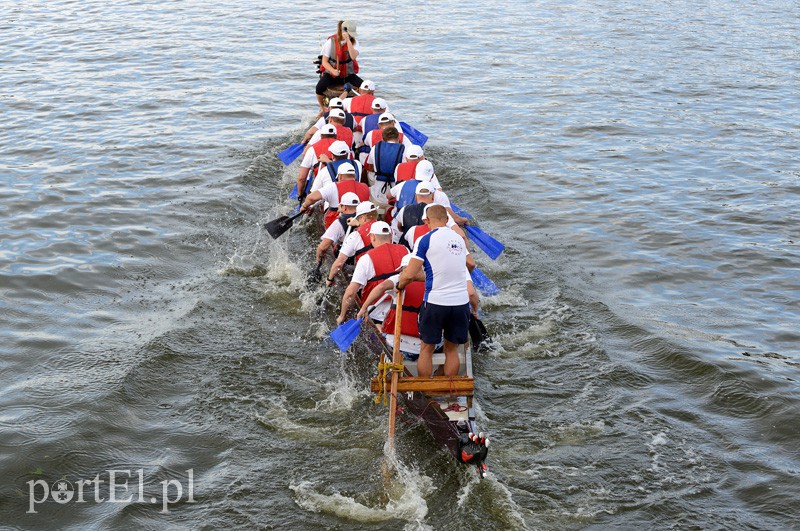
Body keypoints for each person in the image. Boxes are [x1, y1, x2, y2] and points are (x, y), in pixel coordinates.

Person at [398, 204, 471, 378]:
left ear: (427, 220)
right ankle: (450, 388)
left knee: (427, 348)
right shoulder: (459, 239)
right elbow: (469, 264)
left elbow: (410, 273)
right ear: (447, 220)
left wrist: (399, 285)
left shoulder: (425, 239)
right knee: (451, 349)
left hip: (435, 303)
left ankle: (424, 390)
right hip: (461, 303)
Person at [336, 221, 407, 325]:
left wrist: (342, 316)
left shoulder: (366, 259)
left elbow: (350, 293)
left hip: (376, 313)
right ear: (391, 236)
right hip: (402, 311)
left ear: (372, 237)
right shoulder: (405, 250)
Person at [358, 253, 425, 359]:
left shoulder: (399, 279)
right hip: (420, 350)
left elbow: (381, 287)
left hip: (394, 346)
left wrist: (364, 308)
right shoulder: (433, 282)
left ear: (404, 269)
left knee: (377, 326)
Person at [300, 162, 369, 228]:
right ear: (355, 176)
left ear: (340, 176)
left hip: (337, 222)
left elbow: (311, 198)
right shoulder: (365, 187)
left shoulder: (333, 187)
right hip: (360, 222)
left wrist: (304, 206)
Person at [326, 201, 379, 284]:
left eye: (358, 218)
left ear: (363, 218)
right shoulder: (388, 229)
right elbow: (369, 227)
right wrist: (358, 223)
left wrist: (329, 279)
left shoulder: (355, 236)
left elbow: (339, 263)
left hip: (367, 277)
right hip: (381, 270)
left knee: (344, 267)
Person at [316, 21, 363, 114]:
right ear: (343, 30)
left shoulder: (354, 42)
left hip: (348, 74)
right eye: (349, 33)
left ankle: (359, 106)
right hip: (332, 74)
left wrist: (348, 41)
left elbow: (353, 56)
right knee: (319, 88)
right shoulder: (330, 42)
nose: (350, 36)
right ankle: (322, 108)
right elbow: (324, 62)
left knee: (363, 86)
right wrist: (333, 70)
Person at [314, 192, 360, 263]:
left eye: (340, 205)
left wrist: (318, 260)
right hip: (362, 255)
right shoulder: (365, 218)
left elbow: (322, 247)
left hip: (347, 259)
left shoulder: (339, 222)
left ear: (344, 207)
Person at [296, 124, 338, 201]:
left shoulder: (312, 149)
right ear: (336, 136)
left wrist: (300, 194)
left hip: (321, 186)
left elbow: (301, 178)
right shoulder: (344, 147)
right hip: (340, 184)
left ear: (321, 136)